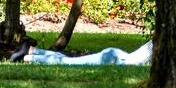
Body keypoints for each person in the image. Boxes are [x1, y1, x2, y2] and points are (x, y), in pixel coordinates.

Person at [10, 27, 153, 66]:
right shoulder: (166, 42)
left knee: (68, 60)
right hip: (118, 61)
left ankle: (31, 51)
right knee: (68, 62)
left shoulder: (162, 39)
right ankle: (27, 58)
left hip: (117, 57)